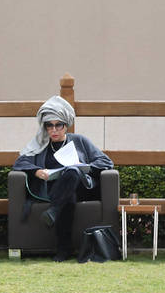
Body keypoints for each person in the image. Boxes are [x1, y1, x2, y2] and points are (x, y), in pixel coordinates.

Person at [12, 96, 114, 261]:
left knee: (72, 172)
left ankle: (54, 215)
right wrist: (37, 171)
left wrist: (83, 166)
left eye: (58, 125)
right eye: (49, 126)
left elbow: (106, 161)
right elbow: (20, 161)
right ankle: (64, 248)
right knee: (68, 197)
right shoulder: (41, 144)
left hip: (82, 187)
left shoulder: (79, 141)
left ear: (66, 126)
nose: (54, 130)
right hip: (54, 190)